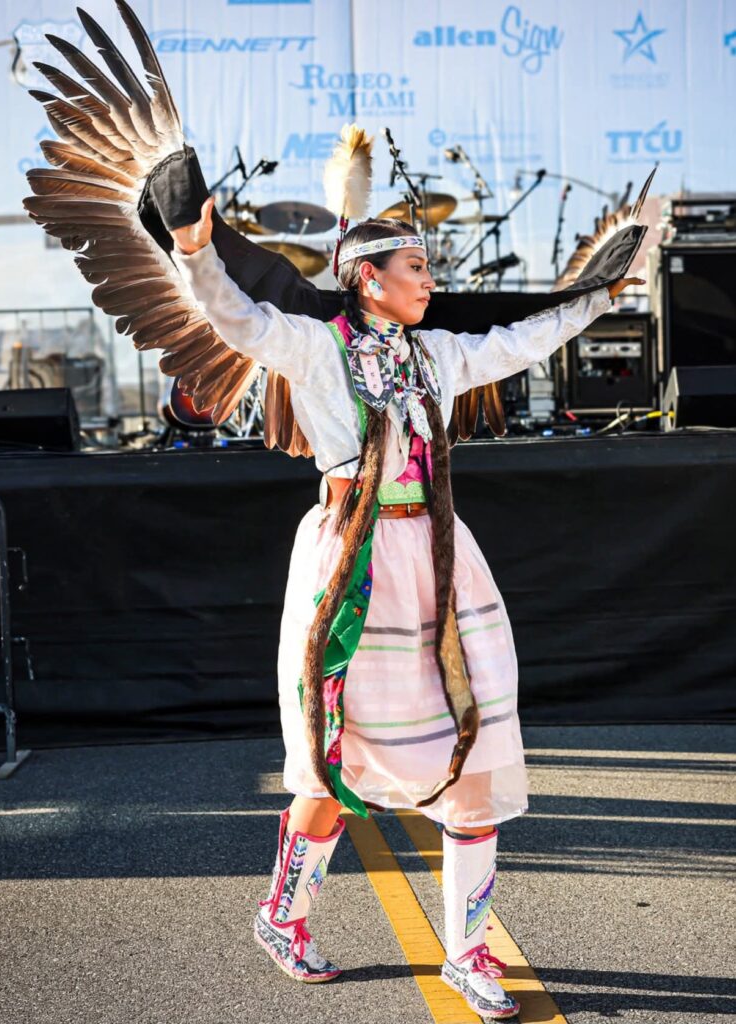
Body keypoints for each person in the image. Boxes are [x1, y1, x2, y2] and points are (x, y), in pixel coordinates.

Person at [168, 195, 642, 1019]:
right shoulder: (315, 347)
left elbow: (520, 342)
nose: (430, 280)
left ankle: (468, 953)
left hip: (441, 566)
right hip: (351, 572)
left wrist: (599, 297)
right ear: (368, 278)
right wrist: (193, 251)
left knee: (476, 753)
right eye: (416, 267)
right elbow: (235, 319)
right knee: (330, 764)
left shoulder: (436, 354)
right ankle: (283, 914)